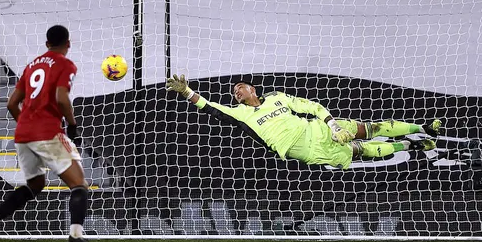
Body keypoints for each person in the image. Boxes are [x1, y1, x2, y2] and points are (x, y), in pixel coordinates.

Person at [0, 25, 96, 242]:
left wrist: (27, 125)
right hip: (48, 131)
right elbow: (61, 98)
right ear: (68, 43)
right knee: (79, 184)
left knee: (35, 184)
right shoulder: (65, 64)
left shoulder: (31, 66)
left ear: (46, 44)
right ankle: (76, 237)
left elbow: (12, 103)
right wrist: (72, 124)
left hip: (23, 134)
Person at [166, 75, 440, 169]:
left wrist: (332, 124)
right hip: (306, 150)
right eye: (234, 92)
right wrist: (187, 92)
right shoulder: (241, 114)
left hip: (318, 128)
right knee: (361, 150)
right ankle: (410, 147)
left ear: (252, 90)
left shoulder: (276, 98)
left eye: (240, 87)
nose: (237, 92)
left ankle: (422, 128)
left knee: (369, 129)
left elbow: (310, 106)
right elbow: (210, 107)